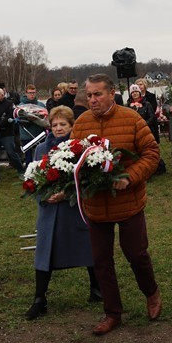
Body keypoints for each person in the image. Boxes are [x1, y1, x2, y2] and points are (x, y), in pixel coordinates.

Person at [71, 73, 162, 335]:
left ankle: (151, 292)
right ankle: (112, 313)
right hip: (96, 206)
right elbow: (72, 157)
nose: (92, 100)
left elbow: (151, 154)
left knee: (136, 254)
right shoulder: (82, 122)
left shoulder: (131, 118)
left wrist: (129, 177)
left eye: (97, 94)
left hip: (128, 202)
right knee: (101, 260)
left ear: (112, 94)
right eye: (89, 95)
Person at [25, 105, 101, 319]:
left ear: (71, 125)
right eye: (55, 124)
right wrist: (43, 195)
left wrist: (67, 194)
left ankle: (97, 288)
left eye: (63, 124)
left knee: (87, 247)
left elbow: (87, 179)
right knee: (44, 252)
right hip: (49, 210)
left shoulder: (80, 147)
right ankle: (39, 298)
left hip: (74, 209)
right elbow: (32, 177)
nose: (58, 128)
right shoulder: (41, 149)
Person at [0, 87, 25, 174]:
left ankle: (21, 170)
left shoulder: (9, 104)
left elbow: (9, 117)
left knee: (11, 153)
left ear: (2, 95)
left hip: (7, 133)